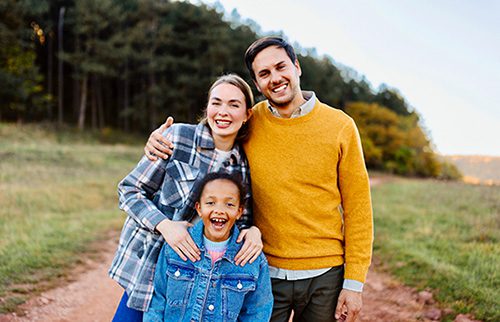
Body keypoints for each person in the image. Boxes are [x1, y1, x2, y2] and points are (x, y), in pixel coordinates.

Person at [145, 36, 373, 322]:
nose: (275, 78)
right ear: (257, 84)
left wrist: (354, 284)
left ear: (297, 67)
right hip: (262, 269)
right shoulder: (252, 120)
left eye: (281, 67)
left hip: (325, 275)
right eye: (264, 74)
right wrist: (161, 139)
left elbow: (359, 210)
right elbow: (216, 127)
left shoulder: (341, 126)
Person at [109, 74, 264, 321]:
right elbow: (129, 190)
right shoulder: (178, 137)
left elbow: (239, 222)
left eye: (234, 104)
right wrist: (165, 226)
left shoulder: (242, 166)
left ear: (247, 114)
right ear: (207, 107)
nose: (223, 111)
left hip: (191, 278)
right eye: (216, 102)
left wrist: (253, 231)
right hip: (149, 264)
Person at [145, 172, 273, 321]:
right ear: (199, 208)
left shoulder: (252, 258)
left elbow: (257, 312)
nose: (219, 210)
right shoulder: (175, 247)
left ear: (239, 212)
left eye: (229, 204)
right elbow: (156, 301)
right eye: (211, 203)